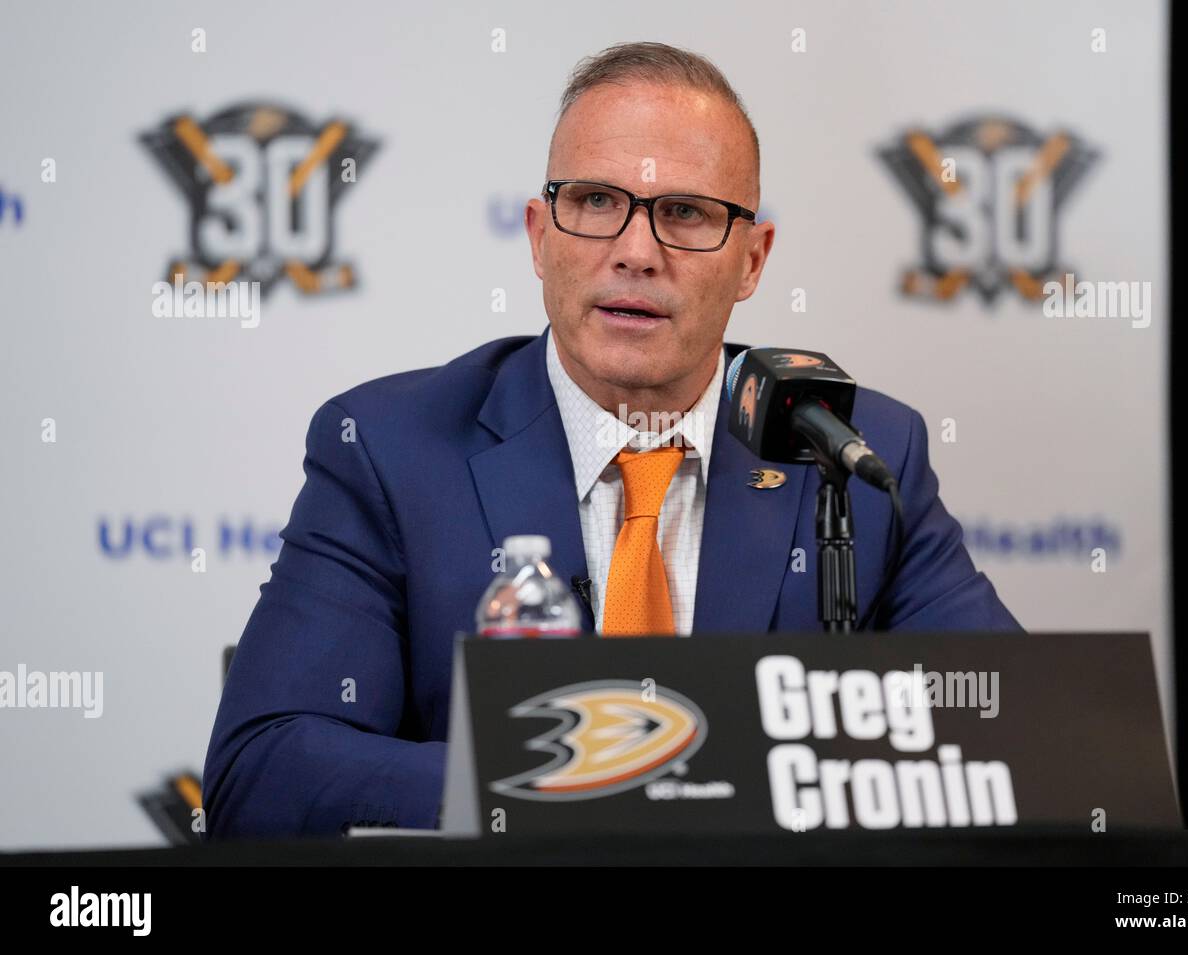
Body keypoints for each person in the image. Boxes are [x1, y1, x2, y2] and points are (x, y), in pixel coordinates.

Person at [202, 41, 1021, 838]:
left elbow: (1010, 732)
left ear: (752, 260)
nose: (636, 253)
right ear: (538, 234)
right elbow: (266, 770)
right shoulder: (391, 449)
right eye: (596, 202)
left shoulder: (852, 450)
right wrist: (573, 784)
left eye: (687, 214)